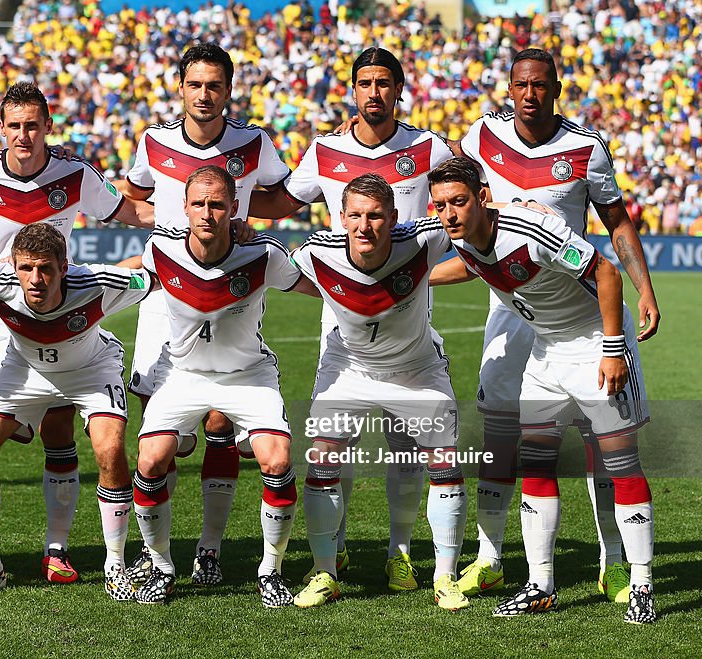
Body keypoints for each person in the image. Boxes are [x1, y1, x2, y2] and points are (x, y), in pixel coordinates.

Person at [446, 48, 661, 602]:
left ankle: (617, 562)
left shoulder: (585, 148)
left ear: (555, 89)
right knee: (503, 433)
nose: (530, 94)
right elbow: (452, 199)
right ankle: (495, 559)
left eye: (541, 85)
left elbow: (615, 224)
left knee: (603, 441)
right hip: (515, 308)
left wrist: (645, 292)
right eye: (521, 85)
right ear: (508, 88)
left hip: (580, 303)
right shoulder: (480, 137)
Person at [250, 46, 454, 591]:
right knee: (330, 447)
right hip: (341, 320)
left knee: (407, 444)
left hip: (408, 316)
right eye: (364, 83)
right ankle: (330, 557)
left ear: (399, 90)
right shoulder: (326, 150)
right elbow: (279, 205)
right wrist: (224, 208)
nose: (374, 93)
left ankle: (401, 553)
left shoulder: (428, 147)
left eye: (384, 83)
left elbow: (472, 192)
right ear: (353, 91)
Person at [0, 81, 153, 584]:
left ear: (47, 127)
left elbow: (128, 213)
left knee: (59, 431)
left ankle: (56, 548)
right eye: (14, 125)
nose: (24, 135)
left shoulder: (75, 174)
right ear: (1, 128)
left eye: (32, 125)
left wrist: (190, 215)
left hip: (59, 311)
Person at [0, 223, 153, 599]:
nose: (35, 279)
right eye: (26, 268)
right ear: (14, 266)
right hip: (23, 370)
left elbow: (156, 273)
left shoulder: (99, 284)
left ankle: (115, 566)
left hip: (90, 370)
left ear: (64, 267)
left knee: (109, 450)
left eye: (45, 269)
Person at [121, 42, 291, 587]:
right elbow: (134, 192)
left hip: (228, 288)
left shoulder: (253, 143)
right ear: (180, 88)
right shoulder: (155, 141)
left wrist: (245, 226)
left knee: (220, 422)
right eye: (195, 84)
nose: (204, 95)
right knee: (160, 436)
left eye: (214, 85)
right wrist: (163, 232)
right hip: (164, 294)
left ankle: (210, 551)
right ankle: (157, 552)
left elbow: (282, 199)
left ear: (228, 90)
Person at [133, 165, 311, 607]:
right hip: (183, 375)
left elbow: (311, 284)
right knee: (151, 460)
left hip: (248, 375)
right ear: (184, 208)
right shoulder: (160, 250)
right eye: (199, 204)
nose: (207, 213)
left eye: (217, 205)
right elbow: (128, 280)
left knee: (276, 460)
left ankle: (269, 570)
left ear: (234, 208)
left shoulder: (264, 254)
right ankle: (162, 566)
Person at [290, 174, 468, 611]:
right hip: (348, 367)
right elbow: (259, 264)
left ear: (393, 219)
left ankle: (443, 576)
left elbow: (479, 225)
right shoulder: (316, 252)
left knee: (443, 463)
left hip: (416, 370)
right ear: (341, 217)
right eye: (354, 216)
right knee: (324, 453)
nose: (363, 226)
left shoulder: (425, 239)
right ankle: (325, 571)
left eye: (375, 216)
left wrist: (522, 208)